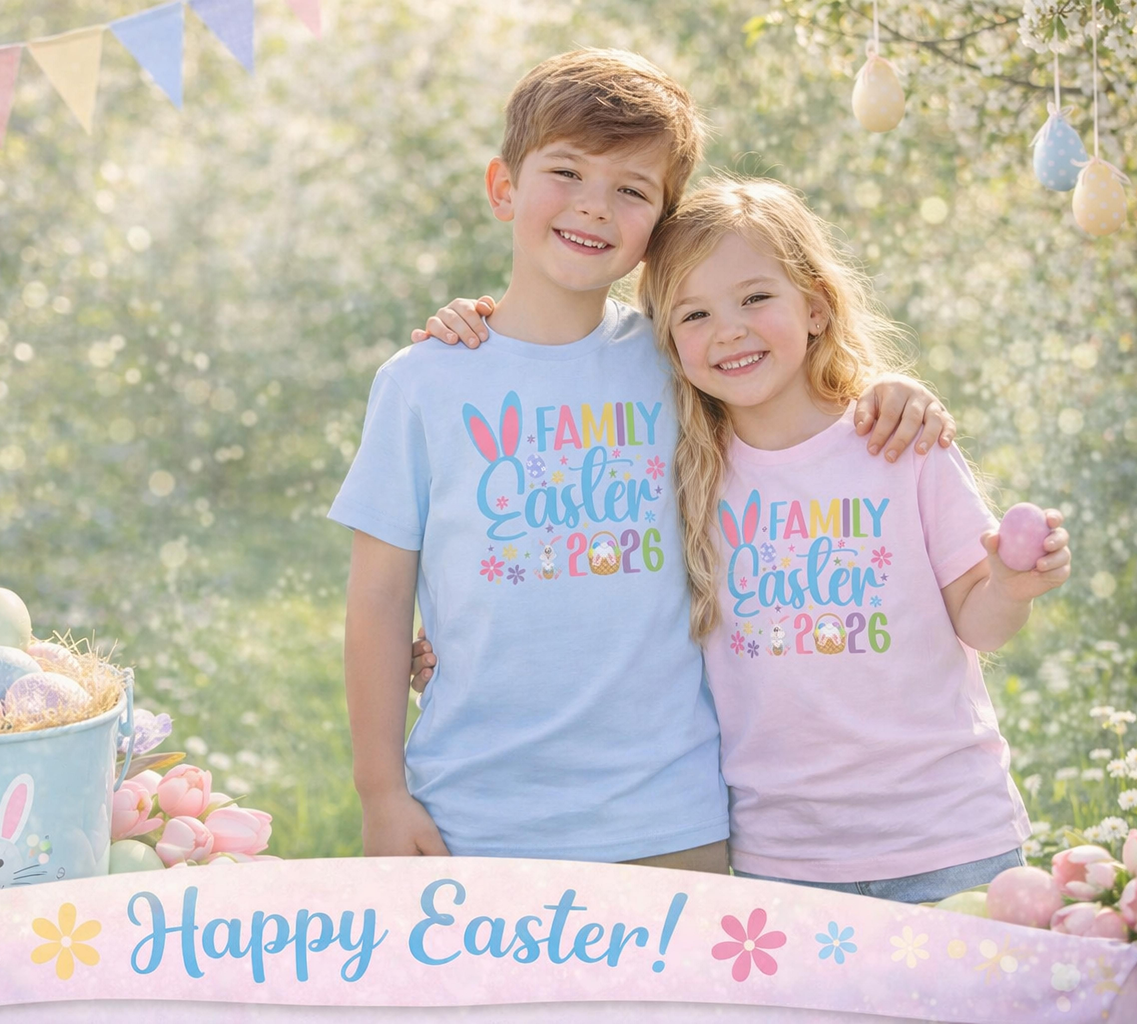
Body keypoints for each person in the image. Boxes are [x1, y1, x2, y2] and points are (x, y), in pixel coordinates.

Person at [330, 49, 948, 870]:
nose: (594, 205)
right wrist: (381, 792)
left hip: (670, 815)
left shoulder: (680, 356)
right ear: (503, 187)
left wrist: (893, 391)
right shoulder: (422, 384)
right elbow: (377, 600)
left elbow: (801, 410)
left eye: (632, 189)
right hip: (472, 815)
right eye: (567, 172)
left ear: (661, 227)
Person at [418, 175, 1070, 901]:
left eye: (755, 298)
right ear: (668, 343)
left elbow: (979, 621)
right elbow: (580, 563)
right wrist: (480, 329)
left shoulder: (899, 443)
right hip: (782, 856)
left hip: (949, 833)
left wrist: (1011, 586)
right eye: (695, 314)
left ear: (815, 306)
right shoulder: (679, 465)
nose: (728, 330)